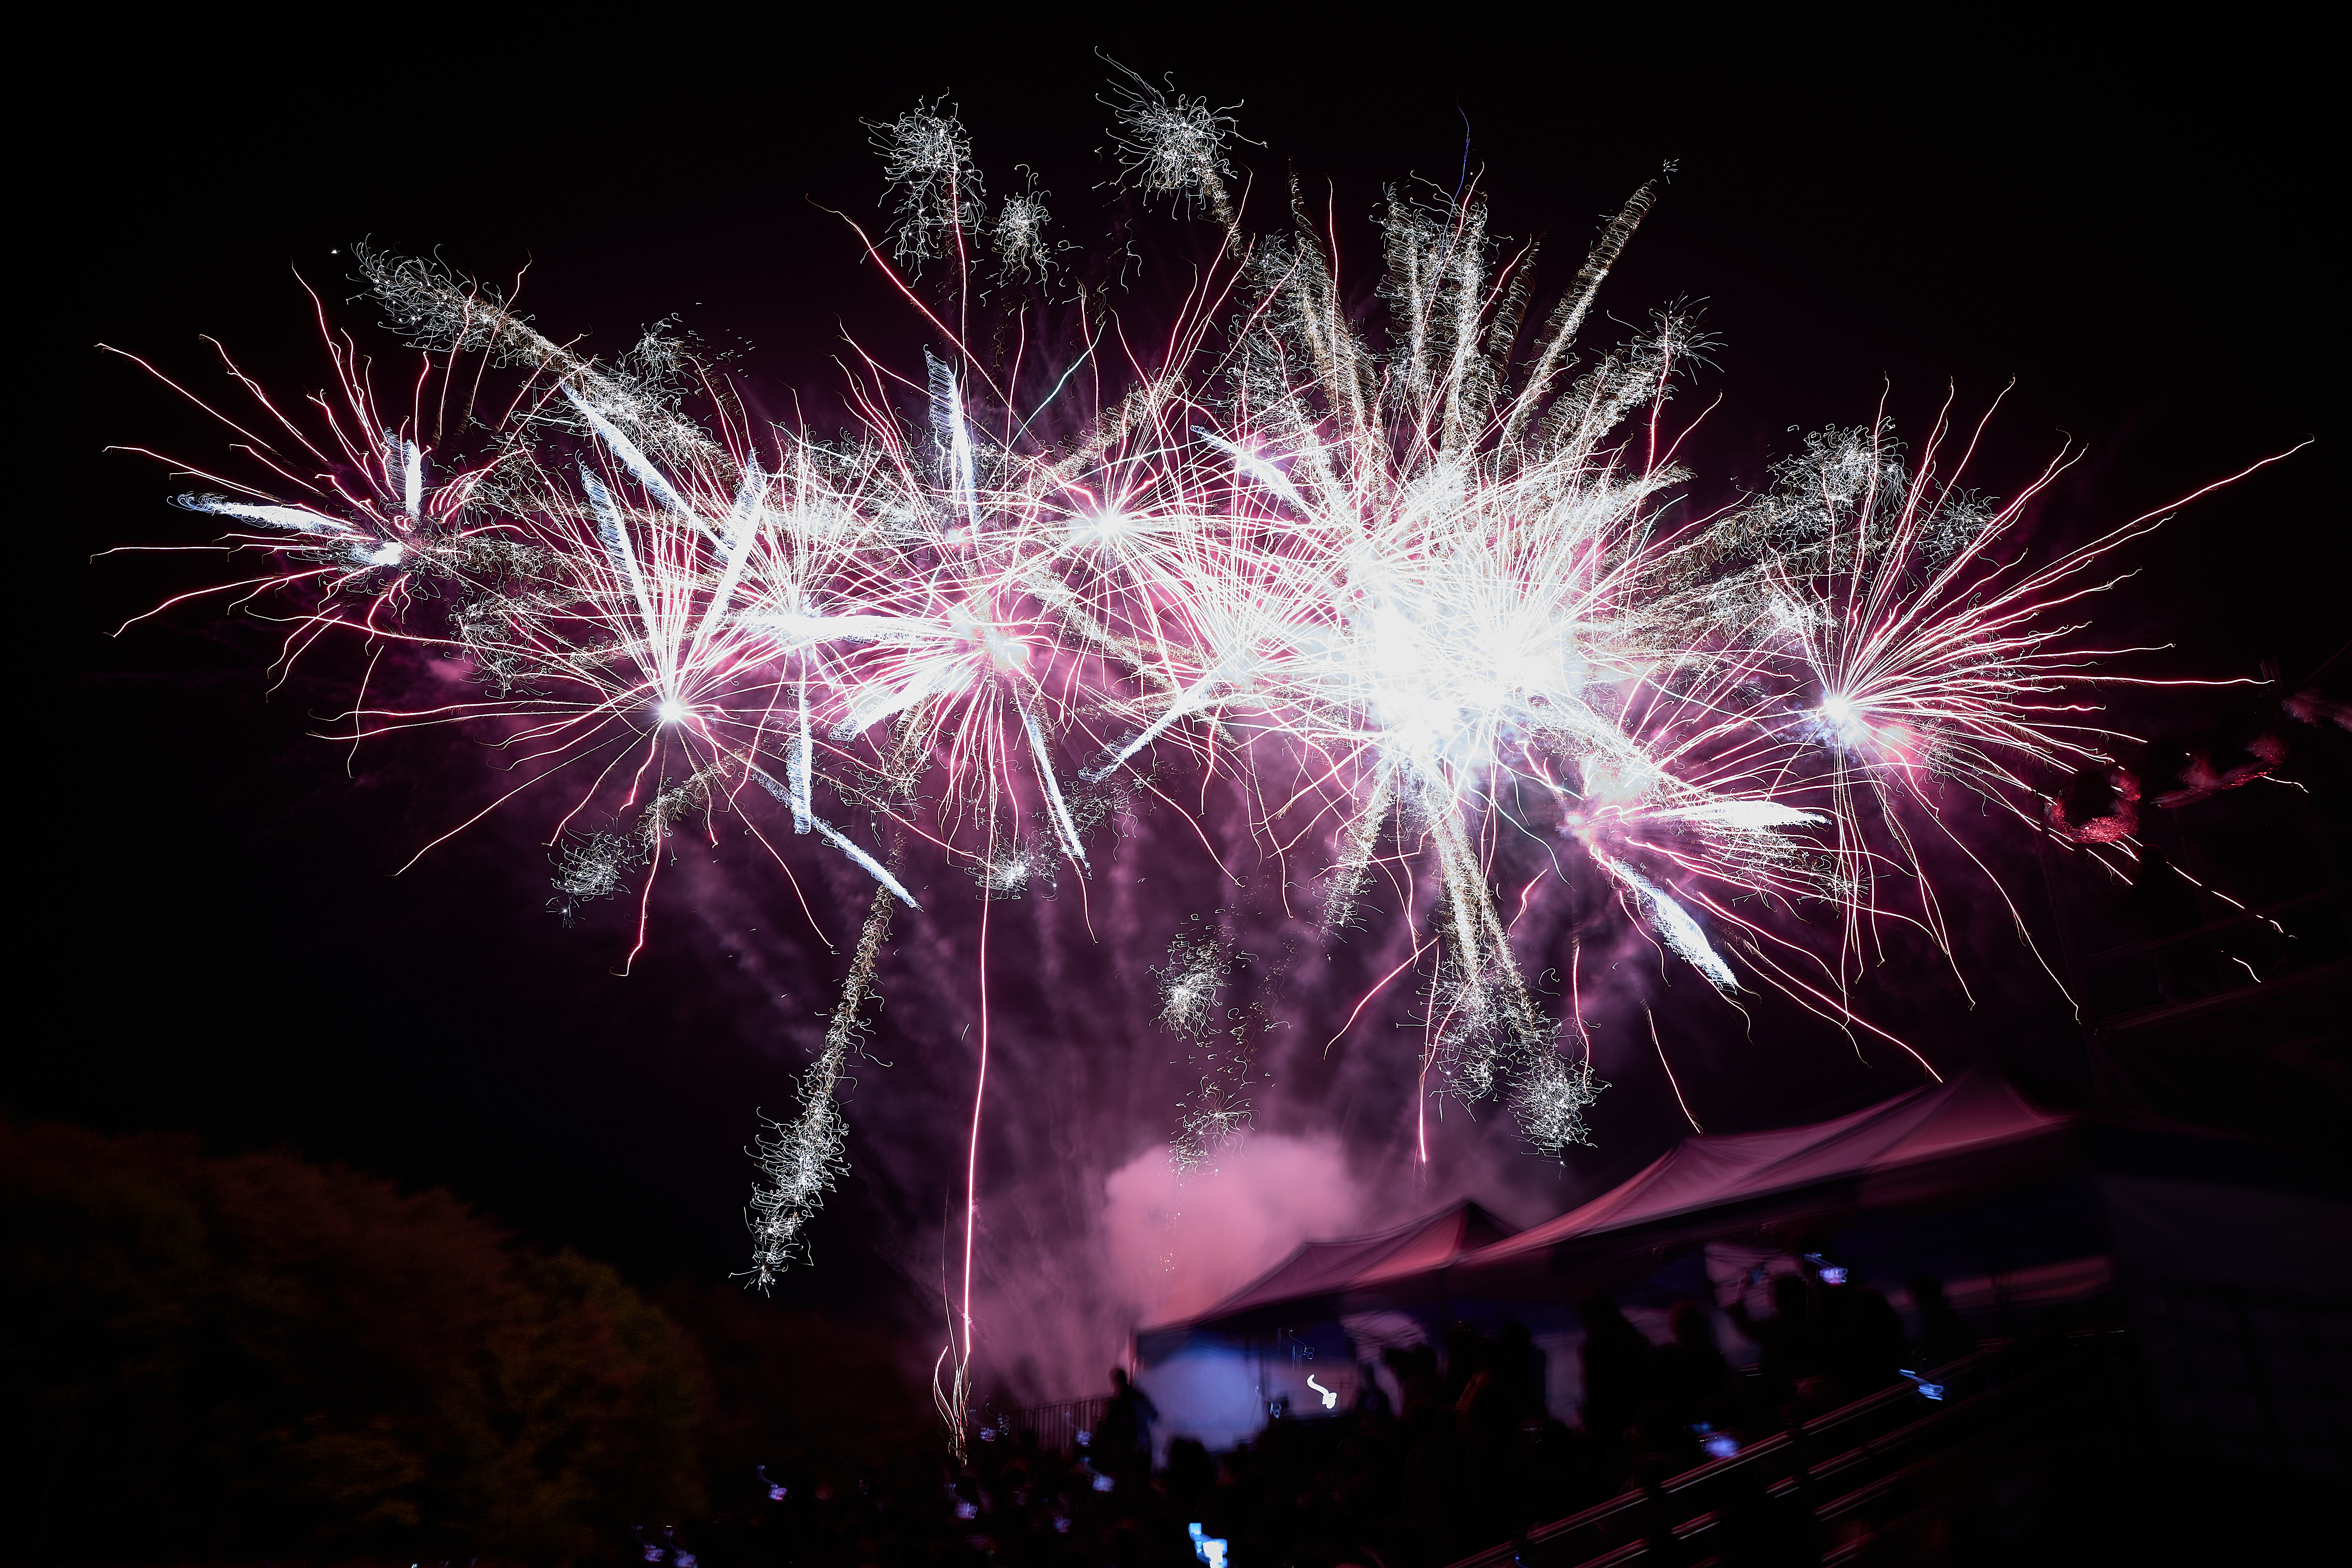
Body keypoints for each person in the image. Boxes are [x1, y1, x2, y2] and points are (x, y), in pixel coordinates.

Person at [1576, 1292, 1652, 1470]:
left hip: (1612, 1426)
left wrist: (1591, 1424)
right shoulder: (1633, 1339)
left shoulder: (1594, 1349)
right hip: (1639, 1418)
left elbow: (1596, 1394)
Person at [1094, 1366, 1156, 1484]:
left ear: (1115, 1382)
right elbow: (1154, 1415)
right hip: (1144, 1445)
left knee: (1128, 1480)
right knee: (1143, 1478)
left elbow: (1109, 1427)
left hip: (1127, 1447)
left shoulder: (1118, 1403)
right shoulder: (1139, 1396)